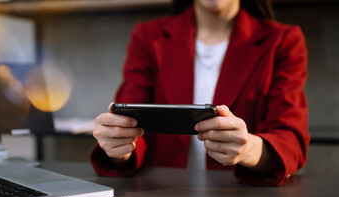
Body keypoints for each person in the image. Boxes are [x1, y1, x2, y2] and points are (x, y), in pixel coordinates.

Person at [90, 0, 310, 186]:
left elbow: (289, 138)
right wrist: (119, 146)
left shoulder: (283, 40)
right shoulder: (148, 37)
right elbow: (130, 125)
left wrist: (248, 149)